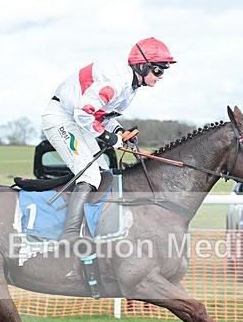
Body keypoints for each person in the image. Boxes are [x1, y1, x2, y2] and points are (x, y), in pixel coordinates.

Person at [42, 37, 176, 242]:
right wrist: (109, 137)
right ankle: (68, 235)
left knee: (104, 173)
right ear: (142, 66)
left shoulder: (130, 87)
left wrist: (120, 132)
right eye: (158, 70)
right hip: (62, 118)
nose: (161, 77)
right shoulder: (117, 81)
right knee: (90, 176)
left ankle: (92, 227)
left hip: (77, 120)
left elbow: (100, 117)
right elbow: (84, 114)